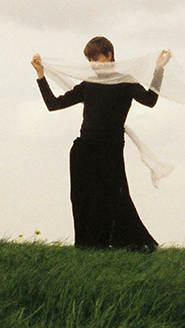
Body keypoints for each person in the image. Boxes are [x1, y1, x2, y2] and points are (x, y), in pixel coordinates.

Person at [32, 37, 170, 252]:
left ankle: (125, 244)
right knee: (81, 198)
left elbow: (150, 100)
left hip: (111, 150)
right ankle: (86, 247)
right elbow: (53, 104)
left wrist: (159, 70)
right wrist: (41, 75)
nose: (93, 65)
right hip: (84, 149)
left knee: (114, 197)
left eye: (96, 59)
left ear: (109, 55)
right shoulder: (89, 84)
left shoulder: (126, 81)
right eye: (89, 61)